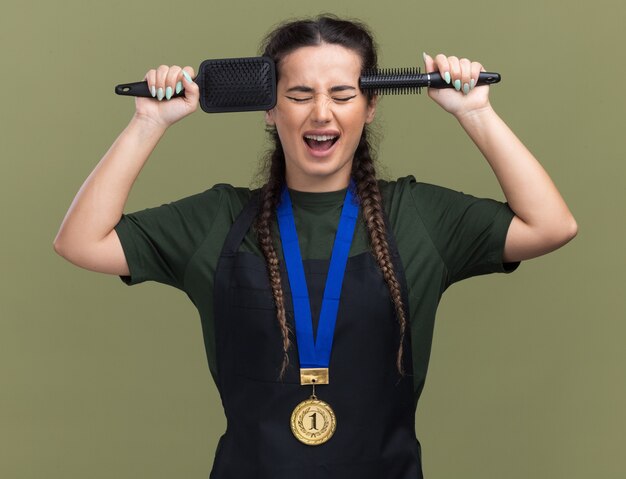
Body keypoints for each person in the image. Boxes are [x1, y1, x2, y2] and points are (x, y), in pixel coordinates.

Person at [53, 14, 577, 479]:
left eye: (343, 95)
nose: (321, 113)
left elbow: (550, 225)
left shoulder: (417, 217)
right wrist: (148, 122)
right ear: (268, 108)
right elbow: (81, 242)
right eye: (299, 95)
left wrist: (475, 112)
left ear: (370, 106)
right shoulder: (217, 221)